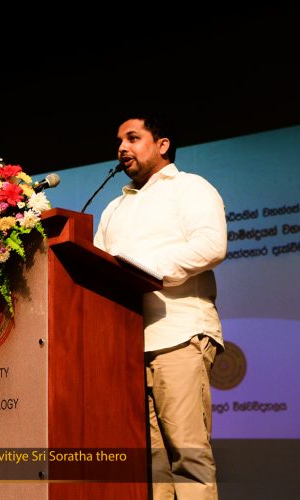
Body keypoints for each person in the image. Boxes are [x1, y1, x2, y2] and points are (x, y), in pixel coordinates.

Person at [93, 112, 227, 499]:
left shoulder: (190, 187)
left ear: (162, 144)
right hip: (129, 347)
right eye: (119, 142)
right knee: (151, 466)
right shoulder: (114, 209)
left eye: (133, 138)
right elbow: (97, 267)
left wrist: (147, 271)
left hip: (179, 334)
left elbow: (210, 246)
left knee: (188, 456)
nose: (122, 148)